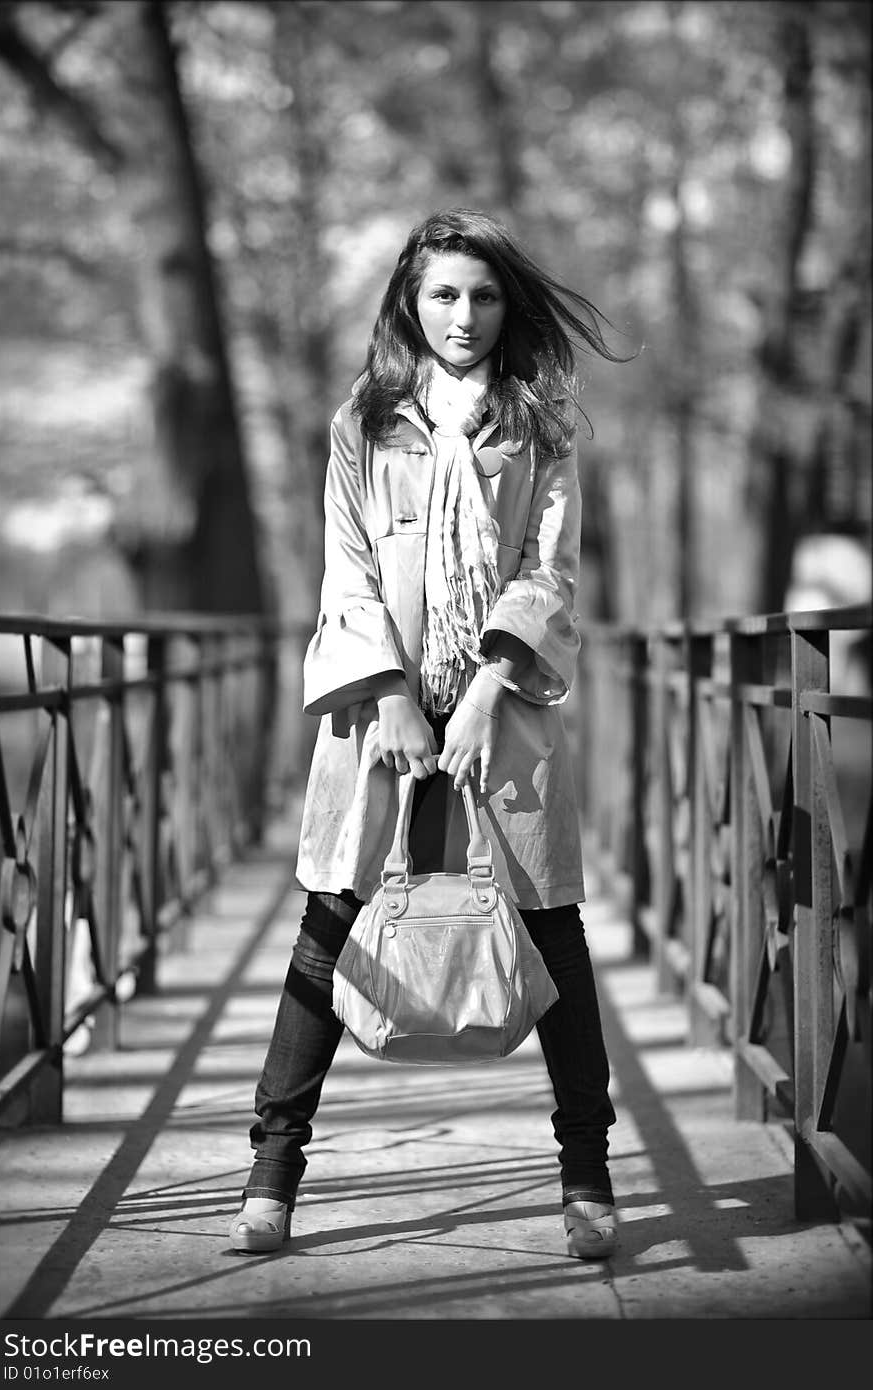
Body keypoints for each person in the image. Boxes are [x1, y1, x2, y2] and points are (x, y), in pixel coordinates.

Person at [230, 207, 626, 1261]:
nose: (464, 314)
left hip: (504, 700)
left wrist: (494, 688)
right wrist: (392, 695)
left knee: (551, 929)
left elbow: (550, 570)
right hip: (383, 702)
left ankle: (586, 1174)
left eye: (484, 294)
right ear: (410, 299)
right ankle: (271, 1174)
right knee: (331, 913)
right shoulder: (363, 423)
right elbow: (347, 572)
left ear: (507, 307)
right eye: (444, 293)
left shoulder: (537, 425)